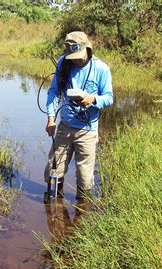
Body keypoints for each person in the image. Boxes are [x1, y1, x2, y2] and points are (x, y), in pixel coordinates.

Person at [44, 31, 113, 200]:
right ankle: (53, 207)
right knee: (54, 169)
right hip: (65, 127)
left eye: (78, 56)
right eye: (72, 56)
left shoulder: (101, 69)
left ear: (87, 49)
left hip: (87, 130)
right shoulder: (63, 63)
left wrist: (93, 99)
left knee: (85, 176)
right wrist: (51, 118)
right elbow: (54, 91)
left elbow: (109, 98)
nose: (75, 60)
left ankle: (81, 212)